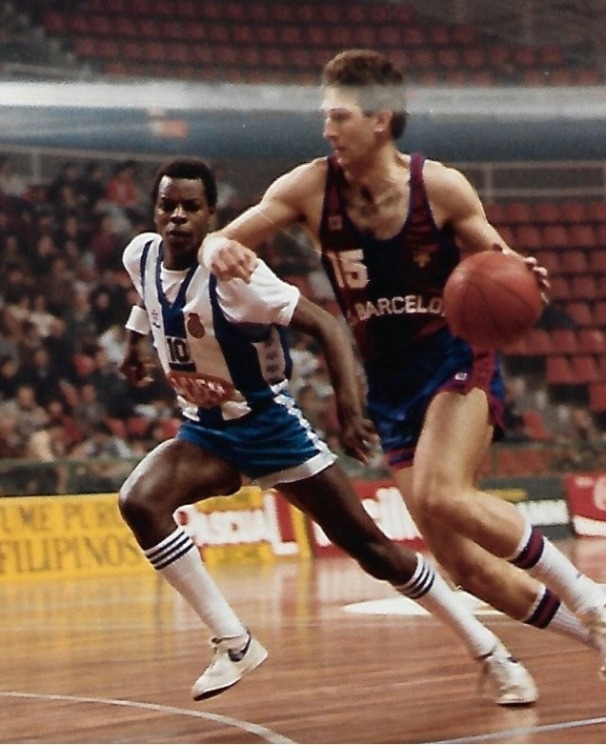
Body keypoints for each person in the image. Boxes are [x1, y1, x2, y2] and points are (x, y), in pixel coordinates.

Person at [198, 49, 606, 684]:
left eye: (339, 116)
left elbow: (502, 263)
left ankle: (590, 596)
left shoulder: (439, 187)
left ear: (380, 119)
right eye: (325, 116)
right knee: (461, 566)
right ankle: (595, 638)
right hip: (389, 385)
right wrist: (216, 248)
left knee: (444, 492)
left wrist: (524, 278)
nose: (327, 130)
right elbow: (219, 238)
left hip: (454, 359)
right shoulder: (308, 187)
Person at [118, 157, 538, 705]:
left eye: (190, 207)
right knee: (139, 501)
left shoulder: (238, 277)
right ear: (154, 210)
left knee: (374, 551)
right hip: (208, 434)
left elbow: (327, 326)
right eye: (167, 205)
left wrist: (348, 406)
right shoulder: (141, 254)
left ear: (211, 215)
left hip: (271, 431)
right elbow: (146, 295)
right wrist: (135, 343)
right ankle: (234, 641)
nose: (177, 216)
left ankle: (490, 651)